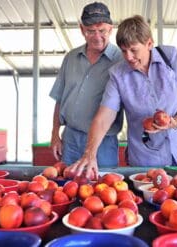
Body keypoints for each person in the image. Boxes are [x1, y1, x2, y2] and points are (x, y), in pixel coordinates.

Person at [69, 15, 177, 178]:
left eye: (134, 50)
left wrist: (176, 121)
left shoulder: (170, 57)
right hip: (146, 155)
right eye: (124, 51)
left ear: (149, 44)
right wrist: (90, 153)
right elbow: (104, 117)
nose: (128, 57)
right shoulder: (118, 74)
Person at [49, 2, 123, 167]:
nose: (97, 37)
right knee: (67, 188)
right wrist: (55, 134)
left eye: (102, 31)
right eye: (90, 31)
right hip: (70, 139)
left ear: (110, 29)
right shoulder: (70, 58)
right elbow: (60, 98)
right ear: (82, 29)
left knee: (103, 188)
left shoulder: (121, 61)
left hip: (103, 143)